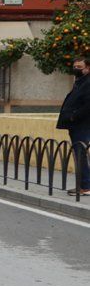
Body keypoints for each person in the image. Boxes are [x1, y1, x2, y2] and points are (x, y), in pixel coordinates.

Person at [57, 56, 90, 196]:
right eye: (74, 66)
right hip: (76, 124)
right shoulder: (80, 81)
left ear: (88, 68)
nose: (75, 69)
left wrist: (73, 116)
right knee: (79, 154)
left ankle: (86, 186)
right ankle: (84, 185)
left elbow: (88, 105)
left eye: (79, 67)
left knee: (80, 153)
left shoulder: (88, 83)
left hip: (81, 124)